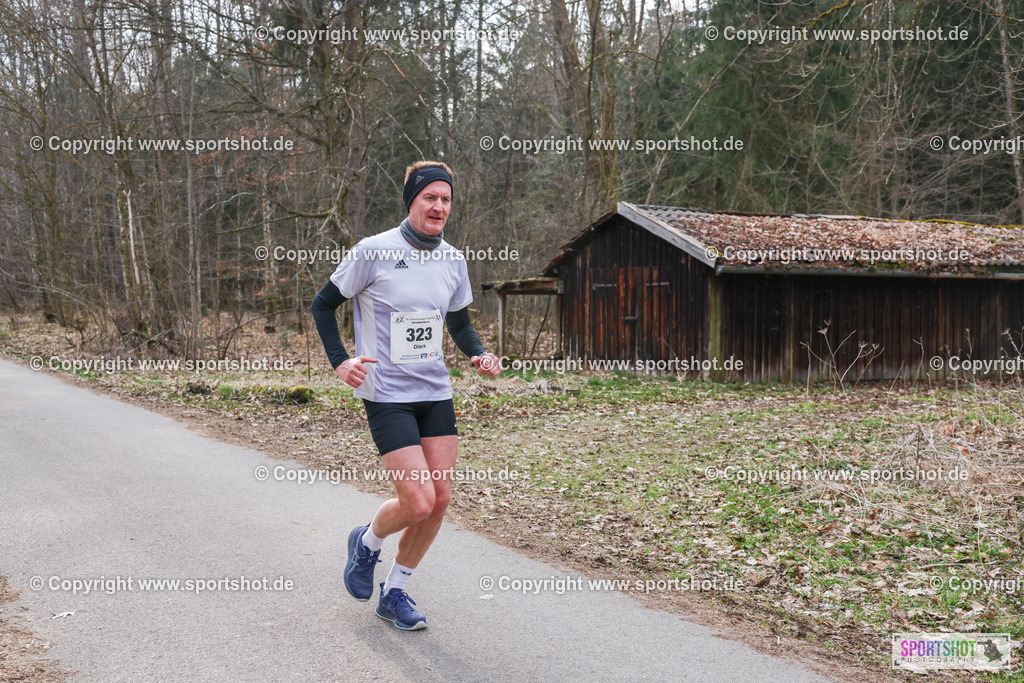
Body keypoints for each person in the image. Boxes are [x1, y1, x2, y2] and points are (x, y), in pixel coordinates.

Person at [310, 161, 501, 630]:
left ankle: (395, 591)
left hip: (435, 391)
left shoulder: (454, 260)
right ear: (411, 201)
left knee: (439, 499)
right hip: (387, 393)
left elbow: (458, 322)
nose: (439, 207)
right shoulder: (372, 252)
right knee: (416, 501)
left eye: (446, 199)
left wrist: (478, 354)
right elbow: (323, 304)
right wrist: (341, 362)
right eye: (429, 198)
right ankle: (367, 543)